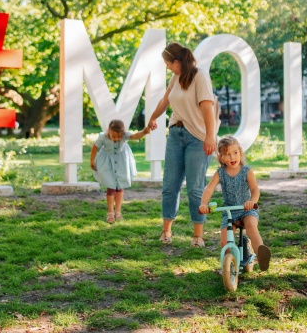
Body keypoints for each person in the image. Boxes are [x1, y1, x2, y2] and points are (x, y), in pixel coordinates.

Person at [146, 42, 217, 247]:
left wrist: (210, 136)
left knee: (195, 188)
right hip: (175, 135)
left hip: (197, 137)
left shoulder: (200, 77)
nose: (167, 67)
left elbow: (207, 109)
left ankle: (198, 235)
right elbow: (164, 101)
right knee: (170, 186)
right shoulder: (175, 78)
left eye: (168, 64)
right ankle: (166, 231)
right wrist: (153, 117)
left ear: (177, 62)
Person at [198, 136, 272, 271]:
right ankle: (229, 265)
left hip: (246, 209)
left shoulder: (246, 171)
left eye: (235, 153)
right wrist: (204, 203)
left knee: (251, 226)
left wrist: (252, 202)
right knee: (224, 241)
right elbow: (209, 189)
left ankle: (261, 256)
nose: (232, 157)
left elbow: (255, 190)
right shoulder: (220, 173)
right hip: (230, 211)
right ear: (221, 158)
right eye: (227, 154)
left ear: (240, 153)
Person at [90, 119, 149, 224]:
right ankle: (110, 212)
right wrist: (92, 160)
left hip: (122, 163)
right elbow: (95, 148)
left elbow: (135, 136)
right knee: (111, 187)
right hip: (107, 164)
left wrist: (144, 131)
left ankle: (118, 211)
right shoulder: (103, 137)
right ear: (109, 130)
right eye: (114, 136)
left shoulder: (125, 135)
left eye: (119, 137)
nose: (116, 139)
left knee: (120, 186)